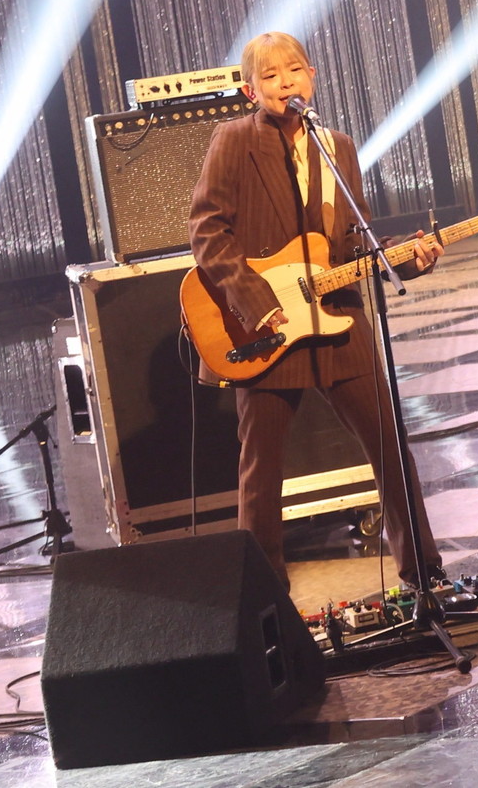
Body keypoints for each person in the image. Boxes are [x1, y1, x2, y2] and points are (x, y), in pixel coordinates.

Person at [189, 31, 444, 592]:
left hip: (338, 318)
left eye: (294, 70)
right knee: (262, 470)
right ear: (250, 90)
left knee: (390, 448)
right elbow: (206, 229)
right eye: (271, 76)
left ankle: (425, 576)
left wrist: (408, 259)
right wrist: (253, 300)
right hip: (269, 326)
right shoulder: (235, 140)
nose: (285, 83)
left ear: (313, 76)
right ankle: (265, 595)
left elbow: (354, 241)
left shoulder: (338, 146)